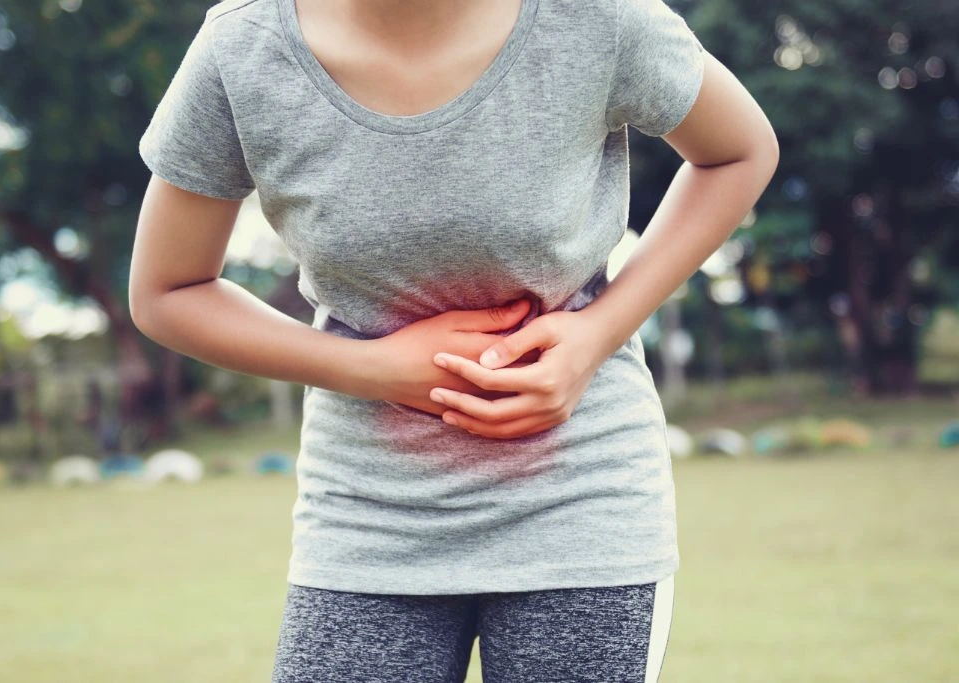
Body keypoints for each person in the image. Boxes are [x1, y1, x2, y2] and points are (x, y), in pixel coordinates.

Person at [130, 0, 779, 680]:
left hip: (579, 506)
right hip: (369, 519)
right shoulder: (244, 48)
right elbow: (167, 291)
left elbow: (739, 151)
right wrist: (373, 368)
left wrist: (596, 334)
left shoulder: (597, 18)